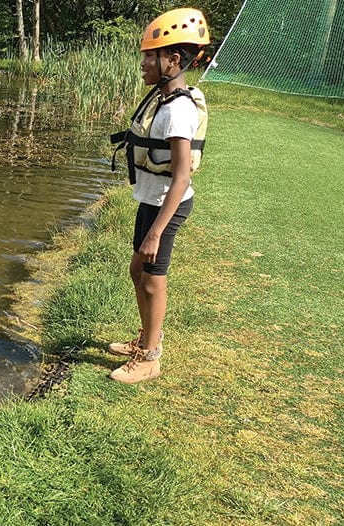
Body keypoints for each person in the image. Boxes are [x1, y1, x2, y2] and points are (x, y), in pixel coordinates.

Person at [107, 8, 210, 384]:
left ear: (174, 60)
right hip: (151, 200)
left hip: (168, 204)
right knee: (138, 272)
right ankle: (148, 337)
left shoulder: (178, 110)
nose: (144, 64)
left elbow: (181, 177)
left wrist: (156, 233)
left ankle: (150, 358)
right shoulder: (161, 99)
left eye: (151, 56)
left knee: (153, 278)